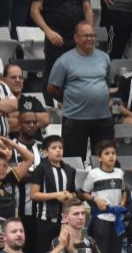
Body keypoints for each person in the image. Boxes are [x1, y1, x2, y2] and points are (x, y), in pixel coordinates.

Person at [47, 22, 114, 158]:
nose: (90, 39)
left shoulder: (104, 58)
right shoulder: (64, 60)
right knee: (74, 159)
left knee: (105, 159)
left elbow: (107, 84)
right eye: (86, 36)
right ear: (76, 38)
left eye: (92, 36)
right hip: (75, 118)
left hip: (103, 118)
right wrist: (67, 99)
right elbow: (52, 88)